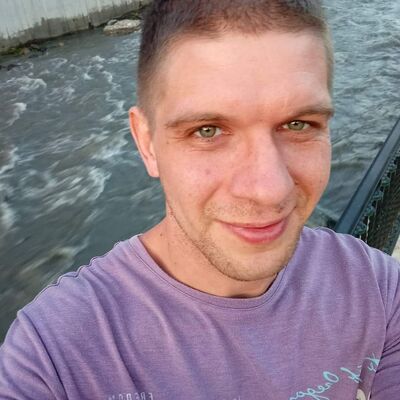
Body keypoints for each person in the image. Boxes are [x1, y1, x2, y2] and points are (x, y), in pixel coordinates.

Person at [1, 0, 399, 399]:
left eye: (299, 124)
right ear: (147, 143)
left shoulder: (378, 290)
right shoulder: (53, 358)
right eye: (207, 131)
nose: (269, 189)